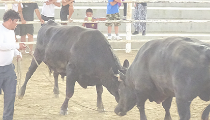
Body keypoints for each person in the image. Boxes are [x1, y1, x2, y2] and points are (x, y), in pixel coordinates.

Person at [0, 9, 26, 120]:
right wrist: (16, 47)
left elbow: (10, 45)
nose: (16, 24)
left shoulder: (11, 31)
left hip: (8, 68)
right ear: (10, 20)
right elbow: (1, 46)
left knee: (10, 96)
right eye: (15, 21)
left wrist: (17, 53)